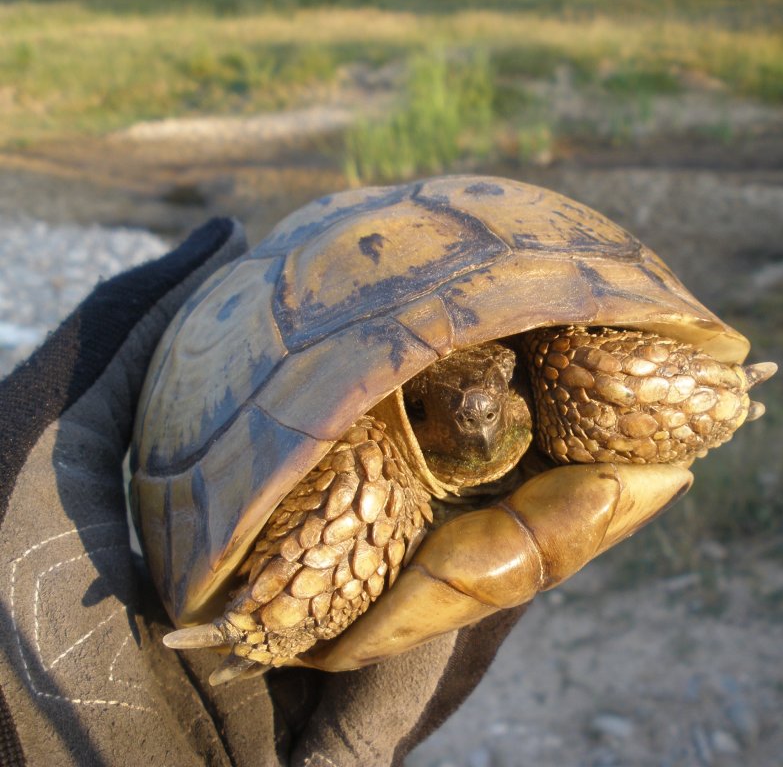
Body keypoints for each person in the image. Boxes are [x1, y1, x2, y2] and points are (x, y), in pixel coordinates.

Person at [0, 219, 523, 766]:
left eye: (503, 386)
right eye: (421, 407)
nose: (478, 419)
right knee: (361, 470)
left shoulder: (530, 367)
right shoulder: (370, 461)